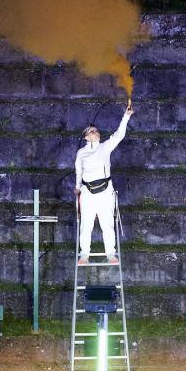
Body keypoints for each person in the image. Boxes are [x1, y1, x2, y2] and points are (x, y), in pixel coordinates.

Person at [74, 103, 133, 264]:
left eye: (97, 130)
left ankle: (111, 254)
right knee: (86, 225)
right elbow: (78, 171)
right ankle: (84, 254)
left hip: (106, 191)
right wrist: (77, 187)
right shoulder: (81, 153)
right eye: (92, 131)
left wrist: (126, 116)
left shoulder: (105, 147)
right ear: (86, 137)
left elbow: (119, 135)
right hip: (88, 192)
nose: (96, 132)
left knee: (107, 224)